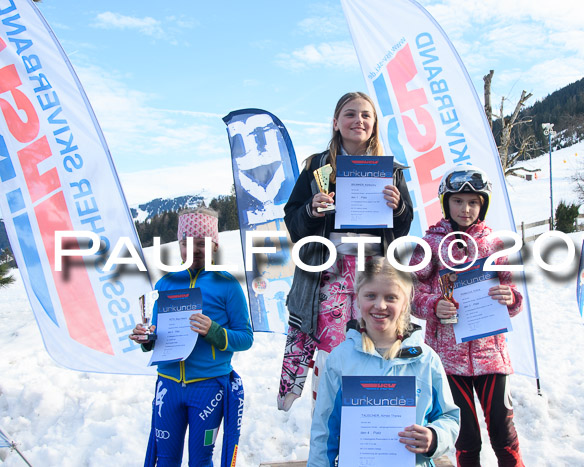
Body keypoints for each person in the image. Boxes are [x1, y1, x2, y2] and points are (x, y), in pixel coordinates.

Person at [278, 91, 413, 411]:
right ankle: (327, 438)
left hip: (374, 277)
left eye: (366, 115)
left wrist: (398, 207)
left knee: (375, 353)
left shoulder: (391, 170)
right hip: (328, 279)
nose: (359, 120)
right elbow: (294, 225)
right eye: (350, 114)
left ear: (375, 124)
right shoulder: (317, 167)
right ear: (336, 123)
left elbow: (402, 228)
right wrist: (310, 209)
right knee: (332, 358)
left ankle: (369, 439)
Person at [409, 165, 525, 467]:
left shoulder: (495, 244)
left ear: (483, 204)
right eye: (458, 201)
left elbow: (513, 295)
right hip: (448, 361)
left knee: (504, 433)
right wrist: (434, 305)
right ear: (446, 202)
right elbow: (410, 295)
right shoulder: (430, 244)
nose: (466, 208)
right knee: (465, 438)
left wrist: (510, 298)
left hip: (491, 356)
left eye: (473, 201)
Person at [130, 207, 253, 467]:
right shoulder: (165, 284)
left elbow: (246, 337)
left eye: (202, 243)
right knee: (165, 460)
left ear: (214, 245)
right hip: (169, 385)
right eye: (187, 244)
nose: (194, 250)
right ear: (179, 245)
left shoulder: (227, 284)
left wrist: (215, 332)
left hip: (209, 388)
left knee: (200, 461)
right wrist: (146, 338)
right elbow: (157, 333)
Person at [308, 257, 459, 466]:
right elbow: (323, 433)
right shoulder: (340, 360)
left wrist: (435, 437)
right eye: (371, 295)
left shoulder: (425, 359)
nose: (380, 305)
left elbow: (449, 418)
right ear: (358, 298)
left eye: (391, 297)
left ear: (405, 302)